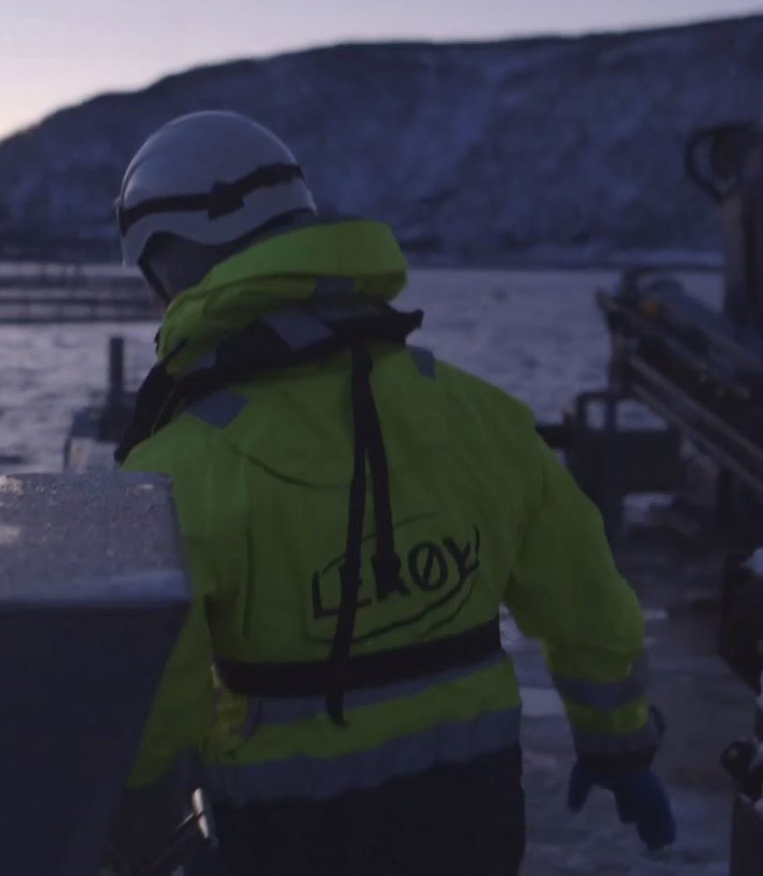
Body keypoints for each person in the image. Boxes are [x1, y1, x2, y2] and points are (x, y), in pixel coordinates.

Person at [104, 110, 675, 875]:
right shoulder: (483, 416)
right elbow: (587, 598)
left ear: (164, 268)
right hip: (475, 822)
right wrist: (618, 741)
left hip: (287, 837)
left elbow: (155, 707)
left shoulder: (176, 470)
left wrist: (127, 839)